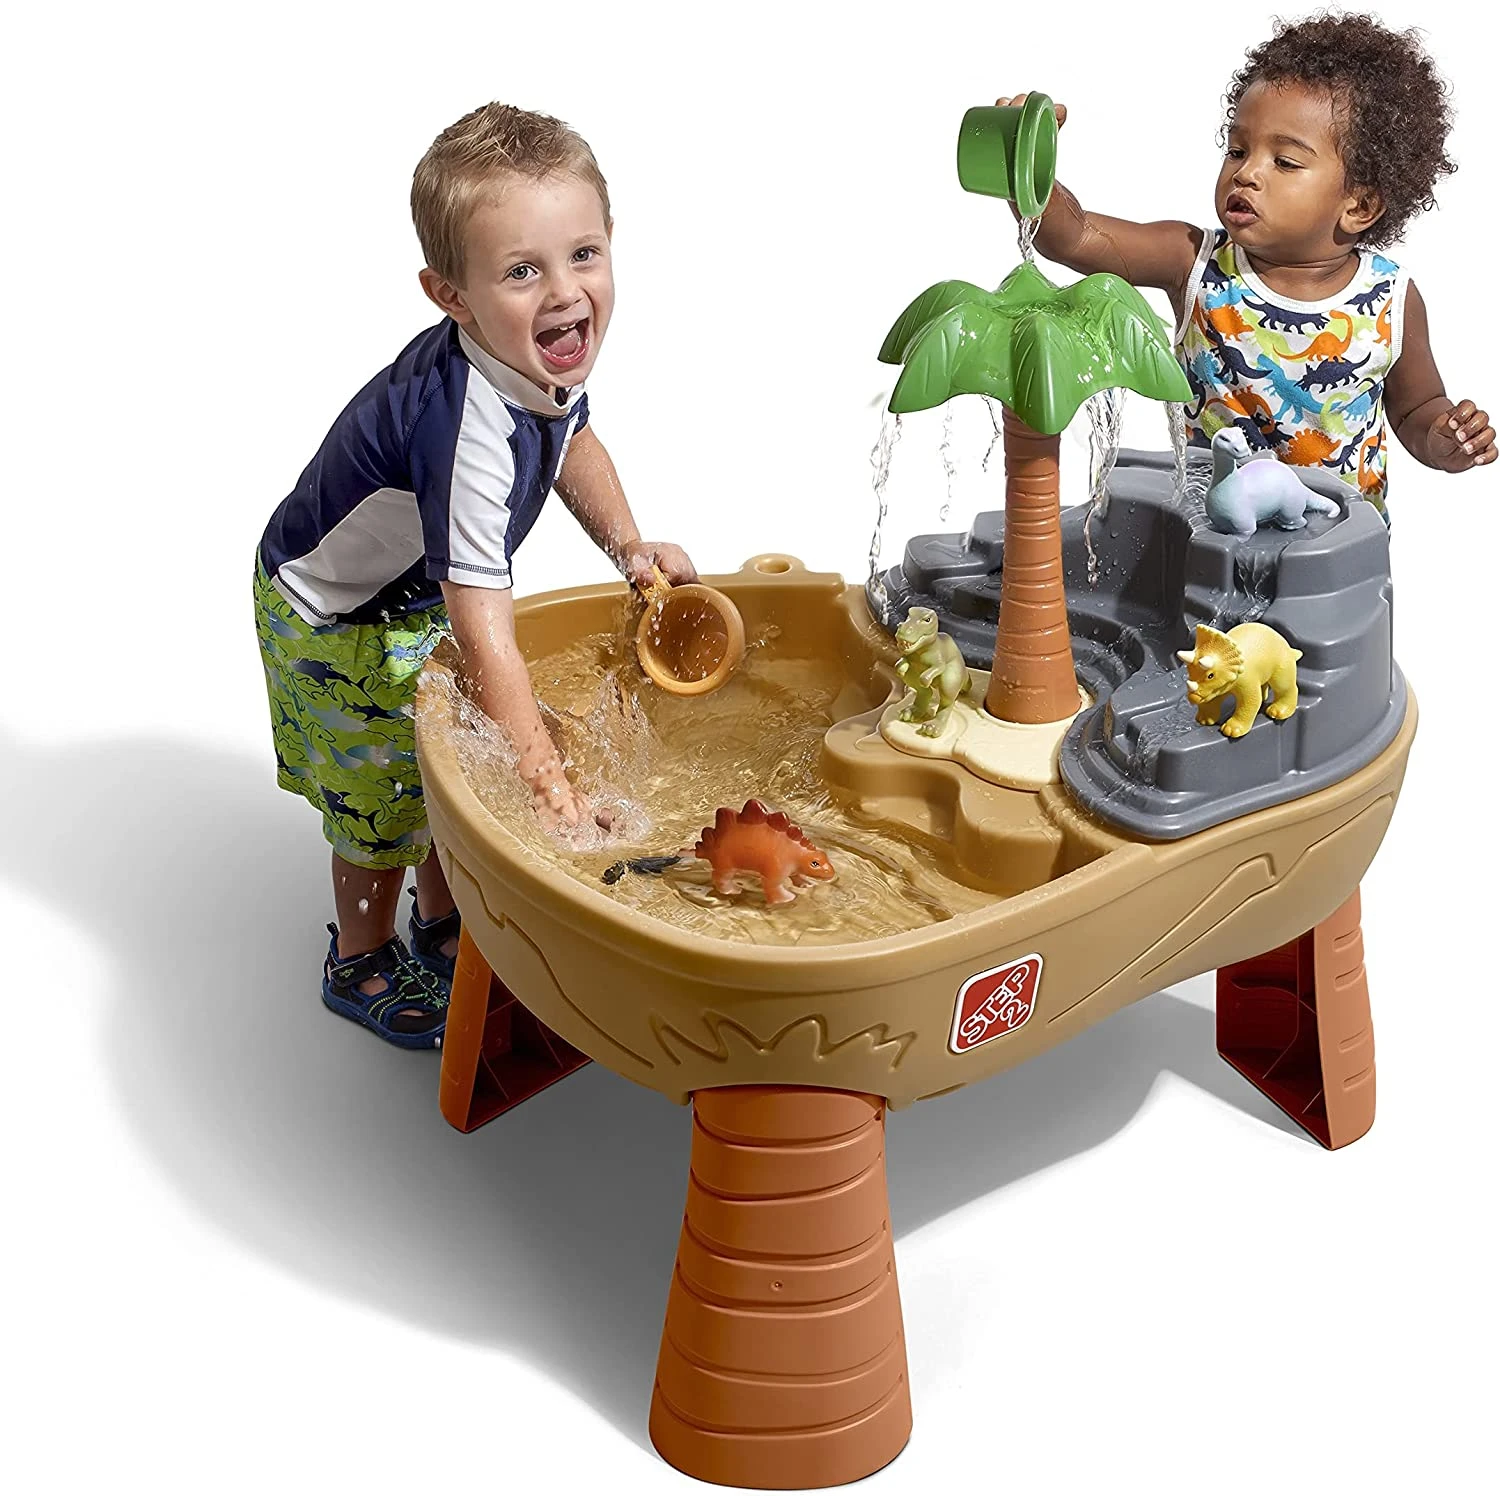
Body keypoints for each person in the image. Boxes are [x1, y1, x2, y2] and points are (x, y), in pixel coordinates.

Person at [254, 103, 696, 1048]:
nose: (565, 293)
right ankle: (360, 957)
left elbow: (574, 442)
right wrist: (551, 789)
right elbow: (487, 630)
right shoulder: (465, 435)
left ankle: (444, 917)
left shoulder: (529, 361)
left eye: (583, 255)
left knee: (452, 753)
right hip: (335, 617)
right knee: (385, 791)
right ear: (450, 295)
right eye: (522, 271)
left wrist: (629, 547)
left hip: (412, 597)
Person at [998, 12, 1493, 514]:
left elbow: (1414, 408)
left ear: (1360, 206)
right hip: (1211, 532)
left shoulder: (1389, 298)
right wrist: (1027, 165)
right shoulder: (1193, 261)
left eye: (1285, 162)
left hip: (1336, 541)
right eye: (1237, 151)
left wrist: (1443, 438)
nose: (1246, 173)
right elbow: (1076, 237)